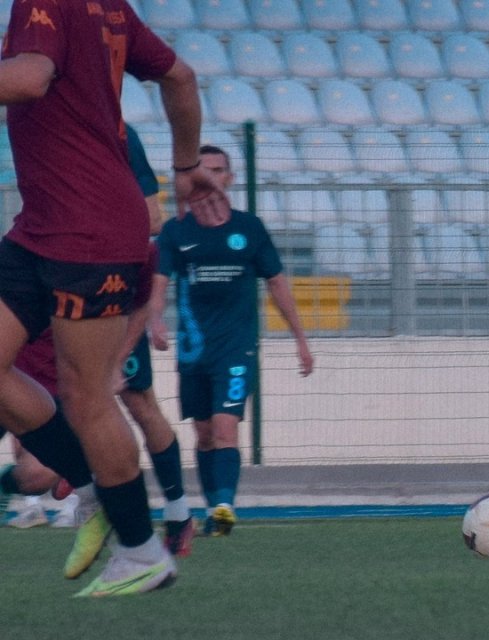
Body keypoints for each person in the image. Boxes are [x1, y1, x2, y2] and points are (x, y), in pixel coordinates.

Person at [0, 0, 226, 596]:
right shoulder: (107, 6)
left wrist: (181, 170)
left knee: (86, 394)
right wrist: (184, 165)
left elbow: (27, 79)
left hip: (88, 233)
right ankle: (96, 488)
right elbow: (180, 76)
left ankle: (142, 551)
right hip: (41, 226)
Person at [150, 144, 314, 538]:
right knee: (204, 434)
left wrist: (300, 339)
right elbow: (159, 282)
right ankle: (213, 509)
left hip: (236, 348)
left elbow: (276, 282)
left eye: (219, 169)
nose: (212, 176)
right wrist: (154, 318)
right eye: (203, 169)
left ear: (230, 178)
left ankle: (225, 505)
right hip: (194, 350)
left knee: (226, 426)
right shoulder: (176, 230)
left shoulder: (249, 228)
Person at [111, 123, 196, 556]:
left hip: (110, 288)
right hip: (60, 276)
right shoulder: (42, 124)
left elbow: (153, 218)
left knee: (138, 403)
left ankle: (178, 514)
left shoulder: (121, 134)